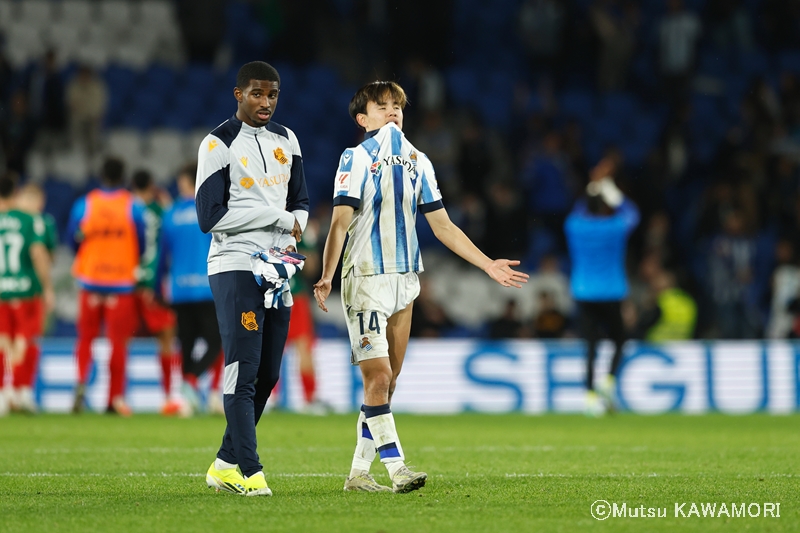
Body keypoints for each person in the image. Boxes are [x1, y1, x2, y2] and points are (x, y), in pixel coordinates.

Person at [313, 81, 528, 493]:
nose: (393, 112)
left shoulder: (419, 161)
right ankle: (397, 470)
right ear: (363, 119)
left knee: (388, 382)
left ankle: (358, 474)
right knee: (377, 378)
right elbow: (340, 220)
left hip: (405, 281)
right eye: (382, 106)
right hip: (366, 278)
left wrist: (487, 264)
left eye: (398, 106)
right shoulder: (354, 157)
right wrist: (327, 272)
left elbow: (443, 226)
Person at [196, 61, 309, 496]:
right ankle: (249, 470)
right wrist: (277, 217)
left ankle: (224, 462)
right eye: (257, 94)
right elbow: (211, 217)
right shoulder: (217, 143)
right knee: (242, 369)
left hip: (278, 265)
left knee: (270, 372)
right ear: (238, 94)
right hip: (235, 263)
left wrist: (294, 223)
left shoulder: (287, 139)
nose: (266, 102)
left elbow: (299, 198)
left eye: (273, 95)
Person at [67, 157, 146, 416]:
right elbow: (142, 240)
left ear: (101, 176)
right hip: (121, 282)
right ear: (123, 177)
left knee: (86, 338)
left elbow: (72, 238)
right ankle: (114, 398)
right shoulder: (133, 205)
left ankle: (81, 383)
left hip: (90, 279)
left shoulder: (85, 204)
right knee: (117, 343)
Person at [564, 157, 639, 417]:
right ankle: (608, 381)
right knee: (620, 338)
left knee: (591, 346)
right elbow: (633, 214)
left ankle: (589, 397)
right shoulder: (615, 227)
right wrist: (611, 190)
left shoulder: (574, 226)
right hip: (611, 292)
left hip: (583, 292)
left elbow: (578, 209)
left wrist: (592, 186)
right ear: (606, 206)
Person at [160, 162, 224, 416]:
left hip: (179, 290)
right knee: (216, 341)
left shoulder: (171, 213)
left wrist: (157, 287)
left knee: (186, 343)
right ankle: (191, 382)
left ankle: (188, 398)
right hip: (207, 287)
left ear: (184, 182)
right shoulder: (212, 209)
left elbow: (162, 255)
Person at [0, 174, 54, 415]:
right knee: (24, 341)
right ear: (15, 192)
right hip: (26, 290)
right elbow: (38, 253)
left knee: (3, 342)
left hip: (2, 290)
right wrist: (47, 287)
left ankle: (4, 393)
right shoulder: (30, 220)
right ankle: (21, 391)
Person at [131, 170, 182, 416]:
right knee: (166, 337)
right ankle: (170, 394)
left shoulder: (127, 208)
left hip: (127, 280)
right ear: (152, 186)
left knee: (118, 337)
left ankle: (115, 395)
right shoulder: (162, 211)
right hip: (156, 280)